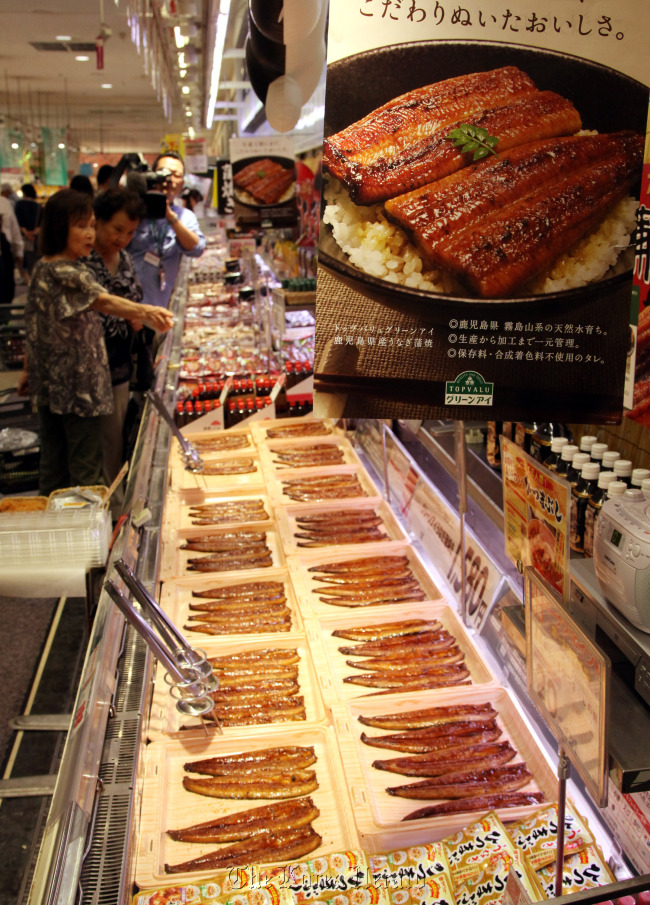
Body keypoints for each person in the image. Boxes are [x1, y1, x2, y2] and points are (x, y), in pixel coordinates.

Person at [17, 189, 173, 496]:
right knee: (85, 471)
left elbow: (33, 323)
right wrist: (147, 311)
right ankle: (89, 538)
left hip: (54, 387)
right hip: (76, 391)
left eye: (90, 225)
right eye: (81, 226)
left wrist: (26, 370)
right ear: (60, 227)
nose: (89, 234)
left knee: (55, 467)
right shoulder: (63, 270)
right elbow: (101, 299)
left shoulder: (45, 267)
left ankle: (57, 532)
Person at [82, 188, 146, 514]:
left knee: (116, 439)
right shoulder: (82, 259)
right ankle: (110, 512)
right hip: (88, 368)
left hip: (120, 364)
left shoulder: (126, 259)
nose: (123, 238)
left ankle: (115, 506)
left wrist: (137, 316)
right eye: (117, 229)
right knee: (98, 445)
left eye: (131, 232)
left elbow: (135, 296)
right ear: (98, 222)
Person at [128, 150, 206, 309]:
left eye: (176, 175)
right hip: (131, 307)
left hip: (164, 306)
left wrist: (170, 217)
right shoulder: (132, 211)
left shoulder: (184, 217)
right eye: (163, 173)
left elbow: (197, 248)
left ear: (182, 184)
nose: (169, 180)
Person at [0, 191, 25, 294]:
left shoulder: (4, 203)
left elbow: (15, 235)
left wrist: (18, 255)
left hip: (4, 255)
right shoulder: (3, 203)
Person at [15, 183, 42, 275]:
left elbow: (17, 222)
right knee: (35, 259)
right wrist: (33, 233)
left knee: (24, 261)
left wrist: (26, 233)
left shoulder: (19, 205)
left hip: (23, 237)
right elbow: (42, 223)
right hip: (36, 238)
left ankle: (27, 279)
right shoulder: (38, 206)